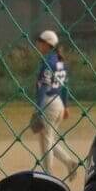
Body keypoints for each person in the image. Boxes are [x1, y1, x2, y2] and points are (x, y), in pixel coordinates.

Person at [29, 30, 78, 179]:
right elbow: (65, 87)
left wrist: (38, 108)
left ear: (48, 44)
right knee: (48, 139)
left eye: (41, 42)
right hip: (58, 103)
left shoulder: (47, 62)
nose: (38, 44)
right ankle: (69, 163)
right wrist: (66, 106)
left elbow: (43, 87)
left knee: (47, 140)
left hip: (48, 103)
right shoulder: (60, 62)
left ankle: (48, 175)